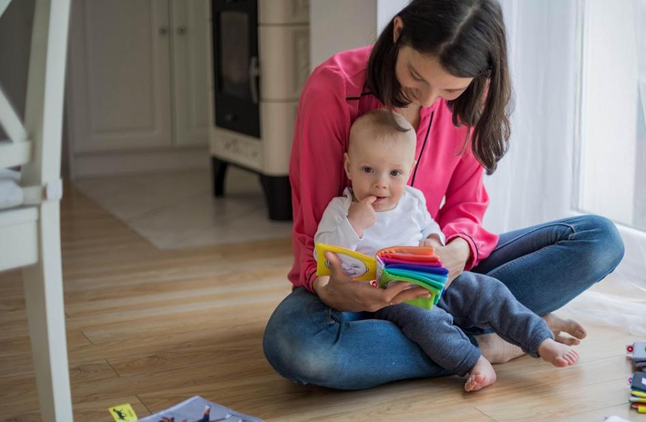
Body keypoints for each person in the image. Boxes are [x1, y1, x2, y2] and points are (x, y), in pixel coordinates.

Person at [263, 0, 625, 390]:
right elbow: (313, 229)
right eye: (416, 76)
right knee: (298, 347)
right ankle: (493, 340)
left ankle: (470, 334)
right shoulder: (333, 88)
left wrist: (455, 251)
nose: (430, 99)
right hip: (357, 292)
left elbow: (466, 206)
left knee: (599, 239)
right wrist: (329, 288)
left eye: (450, 88)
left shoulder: (472, 96)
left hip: (440, 278)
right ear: (398, 33)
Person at [315, 109, 579, 392]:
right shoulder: (341, 209)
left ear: (410, 169)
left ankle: (540, 339)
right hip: (391, 297)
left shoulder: (412, 200)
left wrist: (433, 241)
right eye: (368, 170)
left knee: (488, 290)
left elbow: (431, 225)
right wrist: (354, 224)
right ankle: (472, 360)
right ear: (348, 167)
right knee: (427, 322)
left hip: (432, 279)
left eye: (395, 173)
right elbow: (328, 254)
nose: (381, 183)